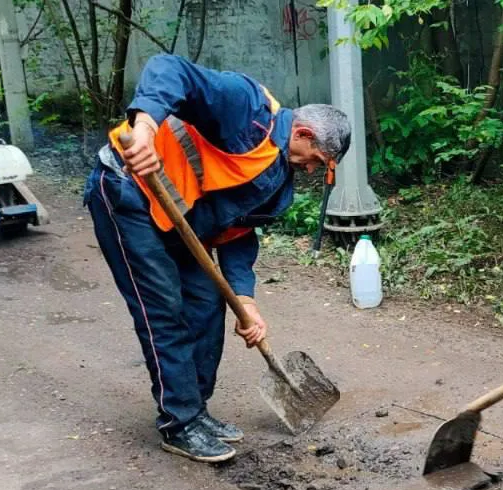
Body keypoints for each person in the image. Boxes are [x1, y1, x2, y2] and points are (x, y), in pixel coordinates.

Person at [85, 54, 350, 463]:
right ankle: (180, 422)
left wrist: (245, 300)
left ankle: (197, 410)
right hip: (130, 192)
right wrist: (144, 129)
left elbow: (238, 235)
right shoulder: (246, 107)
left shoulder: (280, 184)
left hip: (180, 217)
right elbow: (167, 69)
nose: (313, 172)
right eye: (318, 161)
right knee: (164, 312)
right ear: (303, 133)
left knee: (209, 304)